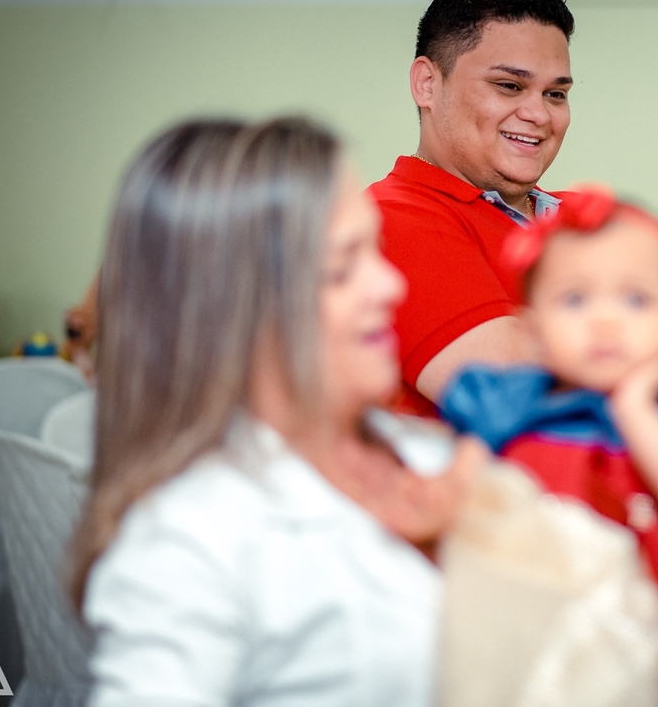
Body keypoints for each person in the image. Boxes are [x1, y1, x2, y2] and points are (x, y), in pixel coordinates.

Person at [68, 118, 484, 706]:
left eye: (377, 250)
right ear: (238, 307)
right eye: (341, 268)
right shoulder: (190, 542)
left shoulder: (423, 451)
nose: (391, 285)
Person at [439, 188, 658, 707]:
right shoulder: (509, 406)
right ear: (534, 331)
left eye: (636, 300)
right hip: (531, 643)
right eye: (574, 300)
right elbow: (456, 506)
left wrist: (636, 409)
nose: (605, 322)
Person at [370, 0, 658, 416]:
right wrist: (653, 339)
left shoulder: (587, 216)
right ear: (427, 84)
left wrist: (567, 350)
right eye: (509, 86)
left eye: (555, 94)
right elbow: (506, 388)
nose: (538, 114)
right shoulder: (391, 216)